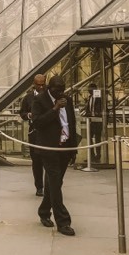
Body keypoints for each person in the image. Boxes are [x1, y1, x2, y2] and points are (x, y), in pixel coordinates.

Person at [31, 75, 79, 236]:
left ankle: (44, 211)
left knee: (55, 183)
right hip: (49, 148)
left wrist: (73, 149)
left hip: (64, 147)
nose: (61, 93)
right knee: (55, 182)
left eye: (63, 89)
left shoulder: (68, 100)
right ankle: (63, 221)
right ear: (49, 88)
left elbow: (71, 124)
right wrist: (55, 108)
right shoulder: (40, 100)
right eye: (57, 90)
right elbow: (37, 122)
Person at [20, 73, 46, 196]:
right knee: (36, 161)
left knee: (49, 161)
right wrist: (29, 115)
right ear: (34, 84)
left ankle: (50, 186)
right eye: (38, 85)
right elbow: (22, 113)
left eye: (43, 84)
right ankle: (39, 186)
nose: (41, 87)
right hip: (34, 133)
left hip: (47, 132)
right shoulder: (28, 98)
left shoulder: (49, 96)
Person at [85, 82, 103, 163]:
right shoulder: (90, 97)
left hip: (98, 121)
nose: (89, 91)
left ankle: (98, 155)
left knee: (97, 138)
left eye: (90, 89)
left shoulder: (99, 98)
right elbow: (89, 109)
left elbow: (101, 108)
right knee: (89, 138)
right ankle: (91, 155)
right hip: (91, 121)